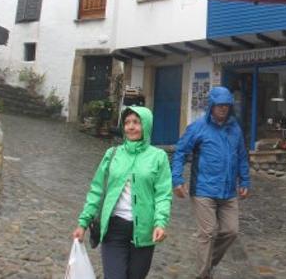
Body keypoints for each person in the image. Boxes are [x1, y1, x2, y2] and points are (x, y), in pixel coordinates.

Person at [72, 106, 172, 279]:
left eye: (136, 122)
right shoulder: (112, 154)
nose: (131, 127)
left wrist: (160, 223)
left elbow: (163, 194)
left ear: (146, 125)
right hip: (114, 229)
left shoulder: (158, 157)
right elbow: (97, 190)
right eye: (127, 123)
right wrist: (83, 222)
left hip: (144, 231)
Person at [172, 86, 250, 279]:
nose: (223, 109)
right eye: (219, 105)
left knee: (231, 231)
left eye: (226, 105)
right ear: (212, 106)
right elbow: (180, 152)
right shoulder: (198, 127)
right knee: (207, 232)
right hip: (203, 190)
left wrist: (245, 180)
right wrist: (177, 179)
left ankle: (207, 264)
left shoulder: (235, 128)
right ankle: (202, 274)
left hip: (228, 191)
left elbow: (241, 156)